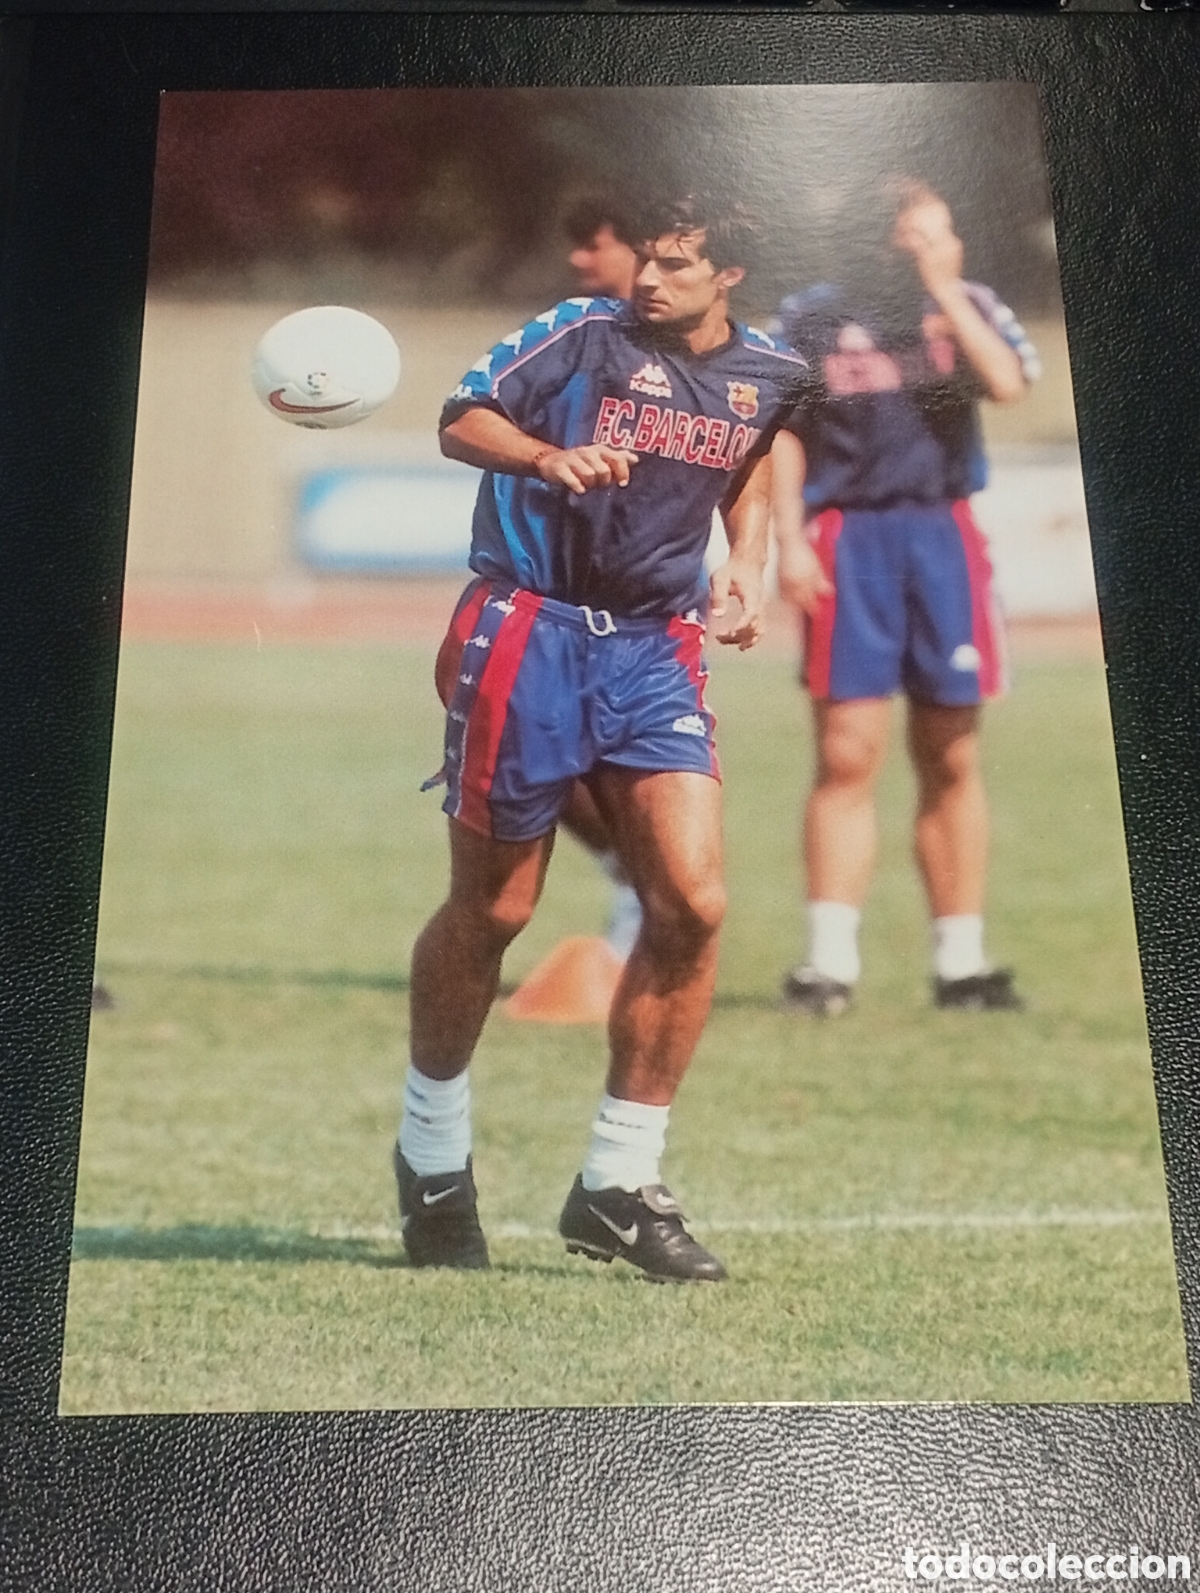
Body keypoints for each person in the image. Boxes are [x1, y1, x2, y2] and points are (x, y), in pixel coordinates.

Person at [396, 193, 810, 1280]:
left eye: (676, 266)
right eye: (648, 261)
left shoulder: (770, 370)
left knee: (695, 904)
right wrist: (545, 457)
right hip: (527, 630)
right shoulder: (581, 331)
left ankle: (618, 1185)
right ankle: (432, 1159)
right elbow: (460, 417)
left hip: (655, 649)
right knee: (497, 908)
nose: (649, 280)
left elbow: (754, 452)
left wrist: (747, 559)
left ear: (730, 276)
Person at [771, 179, 1040, 1016]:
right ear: (886, 237)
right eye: (926, 232)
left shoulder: (968, 306)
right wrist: (788, 541)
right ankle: (828, 965)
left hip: (942, 536)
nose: (943, 242)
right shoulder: (809, 318)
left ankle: (962, 964)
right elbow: (781, 432)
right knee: (847, 751)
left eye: (944, 230)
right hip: (850, 538)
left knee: (950, 752)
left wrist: (946, 293)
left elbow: (1008, 383)